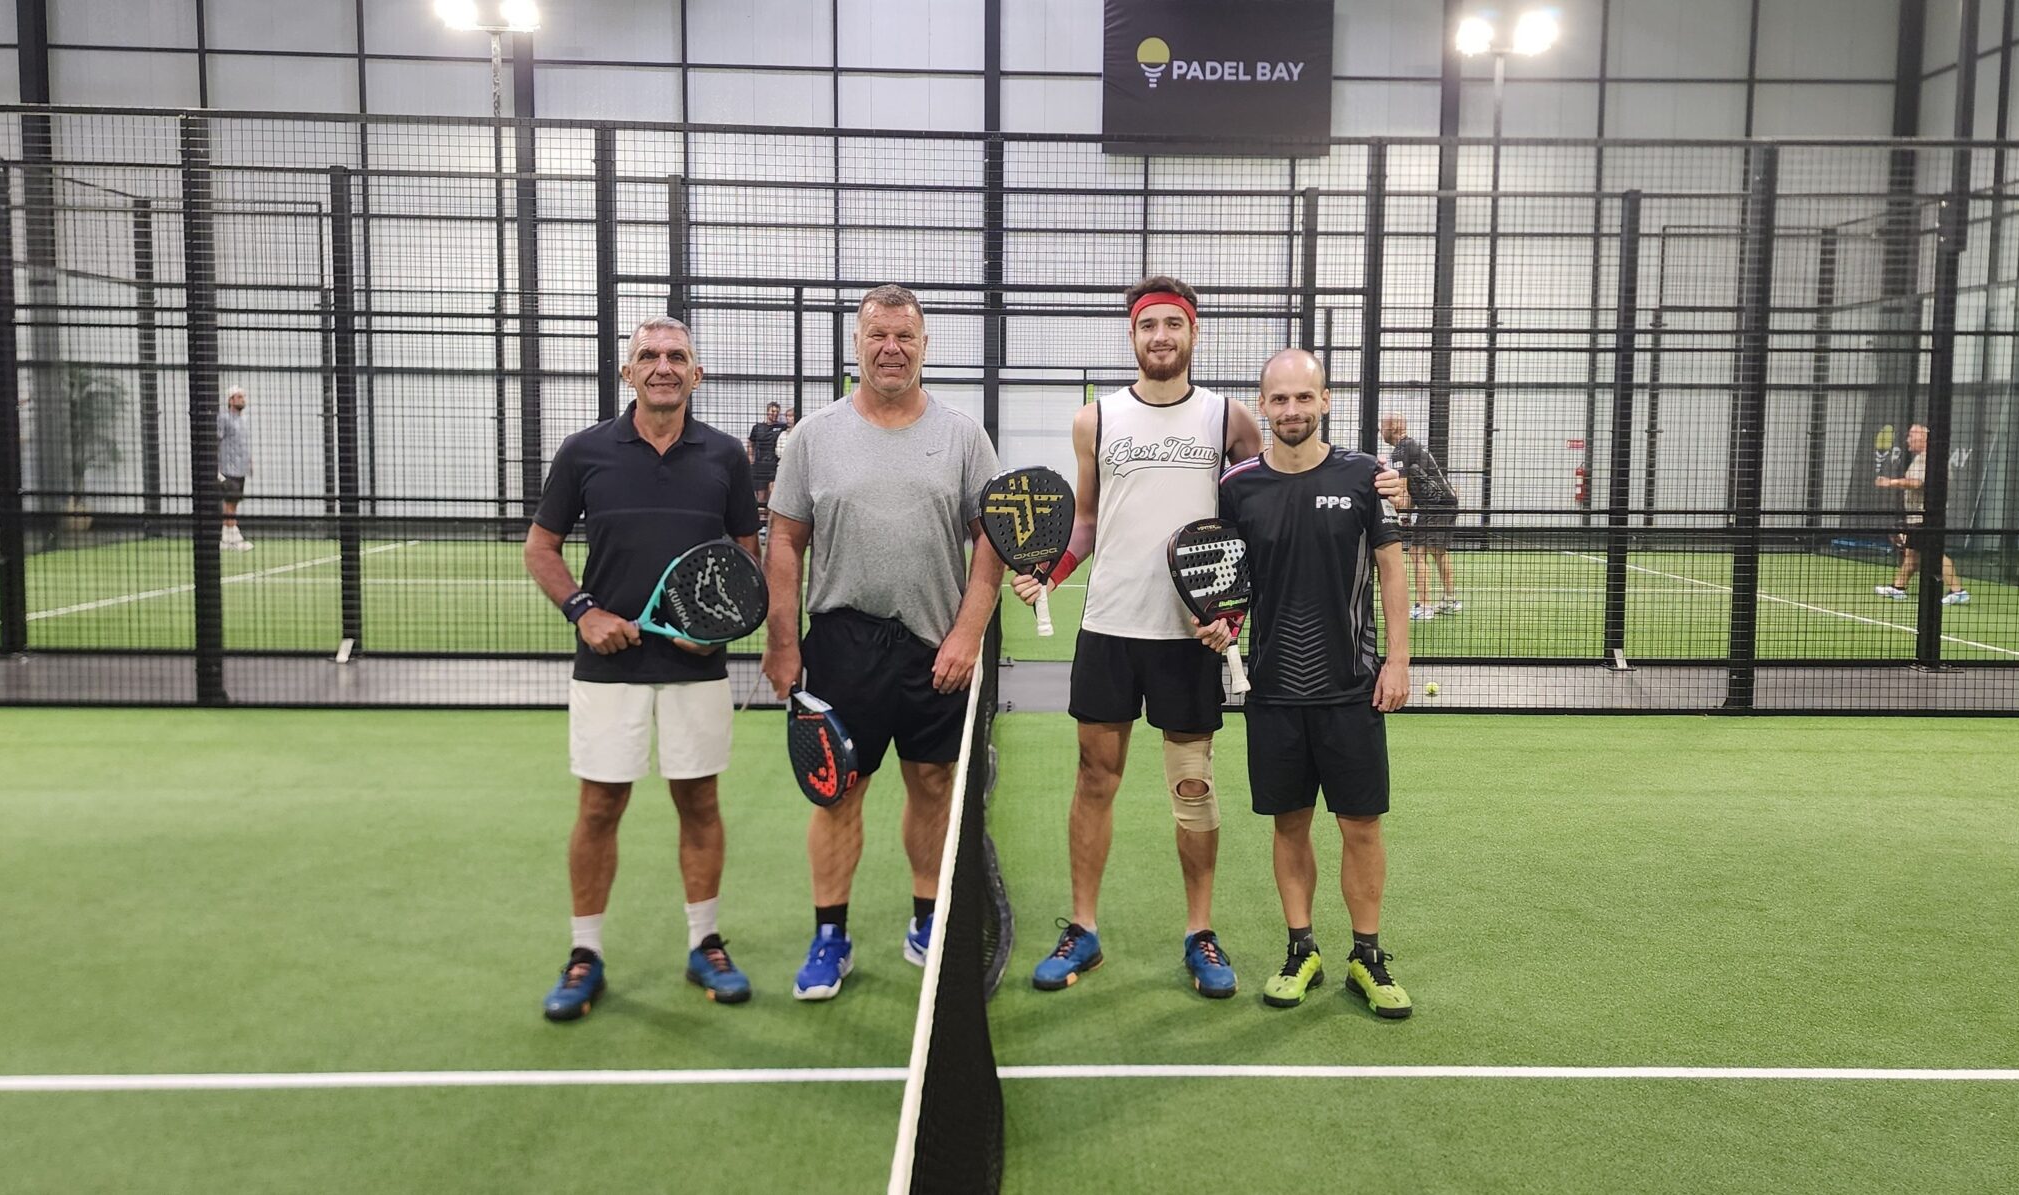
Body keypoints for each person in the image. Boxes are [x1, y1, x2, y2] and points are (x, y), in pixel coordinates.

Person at [1011, 277, 1403, 1000]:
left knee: (1192, 787)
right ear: (1132, 335)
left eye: (1173, 324)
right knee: (1094, 778)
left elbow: (1279, 479)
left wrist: (1383, 486)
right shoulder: (1094, 420)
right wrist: (1053, 572)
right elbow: (1088, 521)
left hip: (1192, 637)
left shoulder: (1229, 418)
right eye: (1148, 325)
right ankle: (1083, 929)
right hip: (1108, 627)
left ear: (1194, 333)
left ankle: (1200, 932)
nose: (1160, 336)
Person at [761, 283, 1006, 1002]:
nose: (891, 348)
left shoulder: (963, 436)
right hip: (842, 642)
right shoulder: (814, 436)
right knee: (838, 791)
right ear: (858, 344)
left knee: (932, 785)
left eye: (905, 336)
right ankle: (829, 936)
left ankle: (927, 918)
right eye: (878, 335)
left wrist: (967, 634)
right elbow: (785, 541)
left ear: (925, 346)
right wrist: (783, 644)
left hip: (936, 646)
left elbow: (991, 541)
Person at [524, 317, 763, 1021]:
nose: (663, 366)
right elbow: (540, 548)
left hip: (697, 669)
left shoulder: (726, 456)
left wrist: (715, 630)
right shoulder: (584, 452)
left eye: (677, 356)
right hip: (608, 667)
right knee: (600, 806)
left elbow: (746, 558)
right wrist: (584, 612)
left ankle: (705, 944)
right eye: (649, 356)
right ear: (628, 372)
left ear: (696, 374)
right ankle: (584, 953)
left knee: (699, 802)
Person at [1219, 349, 1414, 1019]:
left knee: (1361, 826)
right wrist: (1219, 623)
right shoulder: (1237, 486)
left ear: (1325, 400)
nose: (1292, 409)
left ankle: (1367, 955)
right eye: (1280, 398)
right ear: (1263, 404)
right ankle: (1301, 948)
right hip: (1272, 690)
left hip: (1352, 686)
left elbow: (1392, 569)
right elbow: (1228, 580)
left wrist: (1397, 661)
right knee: (1289, 824)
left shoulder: (1365, 476)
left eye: (1305, 397)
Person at [1874, 423, 1968, 606]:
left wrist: (1891, 482)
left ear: (1924, 439)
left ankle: (1958, 591)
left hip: (1925, 516)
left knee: (1934, 553)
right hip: (1919, 516)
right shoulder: (1926, 458)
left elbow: (1917, 483)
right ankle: (1898, 587)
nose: (1907, 440)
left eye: (1912, 436)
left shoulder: (1929, 459)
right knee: (1912, 554)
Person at [1379, 413, 1461, 620]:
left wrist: (1397, 513)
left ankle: (1424, 606)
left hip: (1434, 505)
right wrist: (1407, 514)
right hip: (1446, 502)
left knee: (1417, 553)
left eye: (1383, 427)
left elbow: (1402, 487)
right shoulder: (1412, 446)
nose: (1381, 431)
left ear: (1394, 427)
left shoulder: (1402, 450)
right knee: (1438, 551)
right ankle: (1450, 600)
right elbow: (1415, 484)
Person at [219, 386, 253, 551]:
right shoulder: (224, 418)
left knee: (234, 502)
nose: (242, 400)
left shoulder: (244, 420)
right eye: (239, 397)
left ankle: (227, 537)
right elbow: (217, 440)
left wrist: (249, 462)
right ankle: (233, 537)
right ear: (231, 400)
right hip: (227, 468)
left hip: (240, 468)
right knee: (229, 502)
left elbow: (243, 443)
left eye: (243, 397)